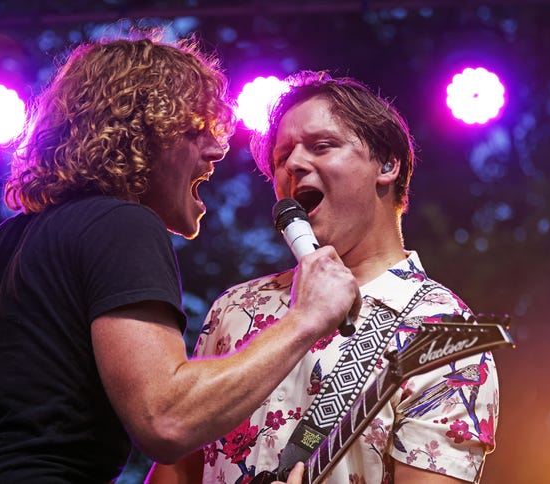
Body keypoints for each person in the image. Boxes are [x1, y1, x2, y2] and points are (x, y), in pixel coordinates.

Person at [0, 37, 360, 483]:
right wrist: (306, 318)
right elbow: (166, 419)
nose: (217, 149)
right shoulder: (121, 224)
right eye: (195, 129)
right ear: (144, 135)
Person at [148, 71, 499, 483]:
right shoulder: (237, 308)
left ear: (386, 164)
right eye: (282, 157)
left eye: (321, 146)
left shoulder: (445, 333)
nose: (294, 164)